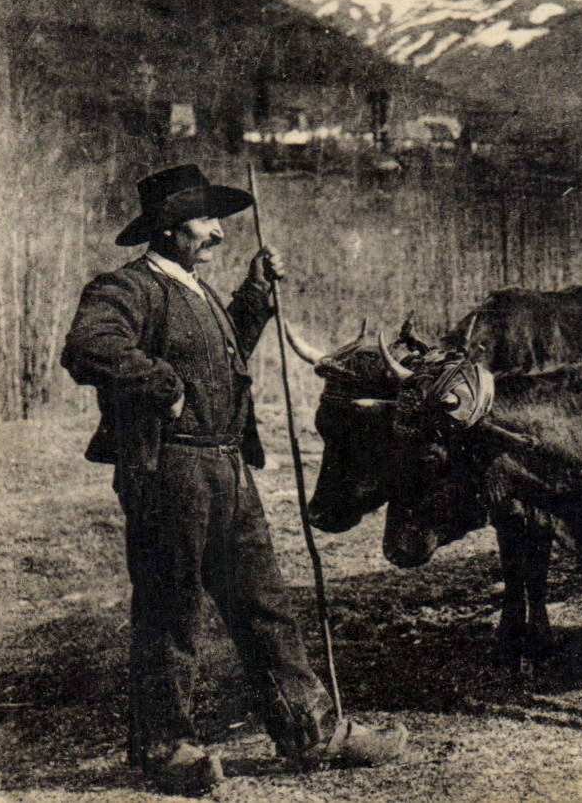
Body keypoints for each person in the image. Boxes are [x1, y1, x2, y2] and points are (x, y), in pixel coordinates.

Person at [62, 165, 405, 795]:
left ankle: (310, 731)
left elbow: (223, 360)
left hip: (225, 468)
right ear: (167, 229)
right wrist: (159, 385)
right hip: (170, 472)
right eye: (205, 221)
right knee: (172, 609)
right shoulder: (128, 288)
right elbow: (87, 347)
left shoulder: (196, 290)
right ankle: (166, 750)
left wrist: (253, 299)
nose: (218, 233)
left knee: (263, 603)